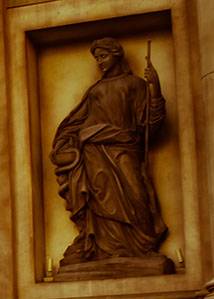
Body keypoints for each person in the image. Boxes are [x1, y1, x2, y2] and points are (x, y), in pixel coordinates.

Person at [50, 38, 167, 267]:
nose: (100, 62)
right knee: (101, 200)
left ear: (117, 55)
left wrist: (155, 88)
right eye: (97, 58)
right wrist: (64, 144)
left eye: (103, 56)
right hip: (94, 152)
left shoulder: (135, 84)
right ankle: (108, 251)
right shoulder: (96, 90)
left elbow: (149, 124)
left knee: (137, 195)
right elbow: (76, 122)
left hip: (125, 150)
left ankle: (143, 248)